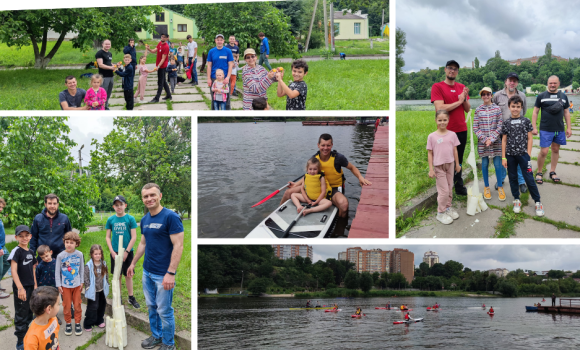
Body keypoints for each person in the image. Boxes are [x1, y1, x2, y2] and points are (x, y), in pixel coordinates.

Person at [128, 183, 184, 350]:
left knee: (165, 311)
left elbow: (178, 246)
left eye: (152, 195)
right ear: (142, 199)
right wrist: (133, 263)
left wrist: (171, 273)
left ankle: (169, 344)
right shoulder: (145, 219)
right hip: (147, 272)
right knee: (152, 307)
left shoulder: (171, 217)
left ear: (160, 196)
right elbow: (143, 243)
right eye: (145, 196)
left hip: (163, 274)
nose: (149, 199)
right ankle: (157, 336)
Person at [280, 133, 372, 218]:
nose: (325, 148)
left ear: (332, 145)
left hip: (333, 189)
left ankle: (339, 227)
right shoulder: (314, 159)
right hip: (316, 186)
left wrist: (360, 177)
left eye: (328, 145)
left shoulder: (338, 158)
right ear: (318, 145)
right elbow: (307, 175)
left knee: (344, 205)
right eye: (323, 145)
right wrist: (296, 184)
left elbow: (352, 168)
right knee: (288, 192)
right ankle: (278, 212)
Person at [431, 60, 470, 195]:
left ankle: (458, 186)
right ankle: (444, 187)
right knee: (445, 159)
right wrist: (459, 101)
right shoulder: (437, 86)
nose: (452, 71)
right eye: (450, 68)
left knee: (458, 158)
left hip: (461, 129)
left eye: (455, 69)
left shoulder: (461, 87)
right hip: (445, 131)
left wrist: (464, 99)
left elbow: (467, 109)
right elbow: (440, 108)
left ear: (457, 72)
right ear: (445, 70)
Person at [501, 95, 544, 216]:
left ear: (521, 107)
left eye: (518, 107)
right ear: (509, 107)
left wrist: (528, 154)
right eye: (513, 106)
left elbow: (530, 138)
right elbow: (504, 140)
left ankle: (537, 201)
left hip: (523, 156)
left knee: (529, 178)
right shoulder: (506, 123)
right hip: (510, 156)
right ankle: (516, 199)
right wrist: (503, 157)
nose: (515, 109)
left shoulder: (526, 121)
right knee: (513, 178)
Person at [532, 75, 572, 184]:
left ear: (558, 84)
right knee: (544, 151)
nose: (552, 85)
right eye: (550, 83)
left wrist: (569, 127)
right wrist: (534, 127)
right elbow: (535, 112)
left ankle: (552, 171)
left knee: (555, 150)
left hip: (559, 129)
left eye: (555, 83)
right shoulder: (541, 96)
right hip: (545, 128)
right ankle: (539, 172)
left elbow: (566, 112)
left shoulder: (563, 96)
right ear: (547, 84)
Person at [492, 73, 528, 193]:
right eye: (510, 80)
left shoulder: (522, 95)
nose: (512, 83)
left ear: (517, 83)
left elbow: (524, 111)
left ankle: (521, 181)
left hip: (518, 133)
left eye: (514, 81)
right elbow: (493, 111)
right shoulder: (497, 95)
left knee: (519, 157)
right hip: (502, 132)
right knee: (502, 157)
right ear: (506, 81)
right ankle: (501, 179)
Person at [427, 110, 462, 224]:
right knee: (444, 191)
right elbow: (430, 153)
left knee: (449, 188)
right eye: (440, 120)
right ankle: (440, 212)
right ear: (436, 120)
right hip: (438, 167)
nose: (442, 122)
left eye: (445, 120)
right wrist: (431, 169)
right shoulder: (432, 136)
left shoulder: (452, 134)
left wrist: (457, 164)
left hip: (450, 164)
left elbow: (455, 151)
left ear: (448, 120)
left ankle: (447, 207)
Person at [105, 195, 139, 309]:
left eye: (121, 205)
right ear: (113, 207)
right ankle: (118, 297)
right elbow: (108, 237)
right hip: (115, 252)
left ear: (125, 205)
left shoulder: (130, 219)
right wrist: (112, 252)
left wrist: (127, 251)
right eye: (116, 205)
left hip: (127, 252)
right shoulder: (111, 220)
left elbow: (134, 237)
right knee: (117, 275)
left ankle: (131, 297)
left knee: (128, 275)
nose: (119, 207)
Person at [9, 225, 36, 350]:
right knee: (21, 313)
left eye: (26, 235)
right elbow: (13, 271)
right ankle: (20, 340)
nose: (24, 238)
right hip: (21, 289)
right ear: (16, 237)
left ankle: (28, 334)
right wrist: (20, 288)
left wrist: (35, 285)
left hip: (31, 287)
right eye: (21, 236)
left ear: (30, 236)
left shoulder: (30, 252)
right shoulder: (16, 251)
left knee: (30, 310)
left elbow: (33, 269)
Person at [474, 87, 505, 201]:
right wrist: (484, 138)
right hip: (483, 144)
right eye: (483, 94)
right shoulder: (478, 110)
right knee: (485, 164)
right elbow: (475, 127)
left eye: (488, 94)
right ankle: (486, 187)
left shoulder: (497, 109)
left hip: (495, 142)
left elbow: (500, 126)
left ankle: (500, 186)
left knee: (498, 164)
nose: (486, 96)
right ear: (481, 96)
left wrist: (491, 138)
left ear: (491, 95)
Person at [55, 231, 84, 336]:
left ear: (76, 244)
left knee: (77, 305)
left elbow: (81, 269)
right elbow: (57, 271)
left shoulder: (79, 254)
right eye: (67, 242)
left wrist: (82, 282)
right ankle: (68, 323)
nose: (69, 244)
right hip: (65, 286)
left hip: (77, 286)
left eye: (72, 242)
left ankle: (77, 323)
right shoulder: (60, 256)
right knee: (67, 306)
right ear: (64, 243)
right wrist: (59, 285)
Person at [30, 194, 73, 263]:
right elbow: (33, 238)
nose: (52, 206)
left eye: (54, 203)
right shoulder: (38, 218)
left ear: (58, 205)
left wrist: (70, 252)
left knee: (60, 273)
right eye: (49, 203)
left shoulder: (64, 218)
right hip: (43, 256)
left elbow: (70, 237)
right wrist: (33, 256)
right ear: (45, 204)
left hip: (60, 255)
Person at [83, 244, 109, 331]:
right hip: (93, 290)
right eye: (95, 254)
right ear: (91, 254)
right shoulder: (89, 266)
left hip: (102, 289)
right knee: (93, 307)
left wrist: (107, 284)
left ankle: (99, 320)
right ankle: (88, 323)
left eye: (99, 254)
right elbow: (85, 277)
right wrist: (88, 286)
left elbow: (106, 275)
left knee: (102, 305)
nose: (98, 256)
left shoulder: (103, 264)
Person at [207, 34, 234, 110]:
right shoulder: (211, 52)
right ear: (215, 41)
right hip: (214, 78)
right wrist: (209, 78)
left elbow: (230, 65)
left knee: (226, 98)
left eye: (221, 40)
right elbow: (209, 65)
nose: (219, 41)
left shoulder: (228, 51)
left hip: (224, 79)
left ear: (223, 41)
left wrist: (228, 77)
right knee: (214, 98)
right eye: (218, 40)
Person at [35, 245, 61, 325]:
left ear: (51, 252)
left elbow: (60, 274)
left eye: (47, 256)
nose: (45, 258)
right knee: (45, 302)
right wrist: (37, 287)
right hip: (44, 288)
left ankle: (54, 316)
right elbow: (37, 277)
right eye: (42, 257)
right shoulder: (40, 266)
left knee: (53, 302)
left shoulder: (57, 263)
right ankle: (43, 316)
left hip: (54, 287)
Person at [145, 33, 172, 103]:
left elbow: (163, 59)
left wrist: (158, 66)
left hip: (162, 66)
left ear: (166, 38)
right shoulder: (159, 43)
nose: (162, 37)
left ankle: (157, 98)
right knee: (163, 81)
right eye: (162, 36)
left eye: (164, 37)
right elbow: (154, 50)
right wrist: (149, 49)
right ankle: (169, 95)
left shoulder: (166, 47)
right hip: (159, 66)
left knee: (160, 82)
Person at [95, 39, 115, 109]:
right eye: (106, 44)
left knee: (108, 93)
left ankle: (106, 106)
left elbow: (108, 63)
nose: (107, 45)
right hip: (104, 76)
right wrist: (110, 68)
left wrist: (115, 65)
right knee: (103, 93)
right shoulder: (99, 53)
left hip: (111, 76)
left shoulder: (109, 53)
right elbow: (100, 65)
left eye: (109, 44)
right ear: (102, 44)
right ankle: (101, 107)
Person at [0, 197, 10, 299]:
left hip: (3, 246)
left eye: (2, 207)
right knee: (0, 269)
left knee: (8, 261)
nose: (1, 209)